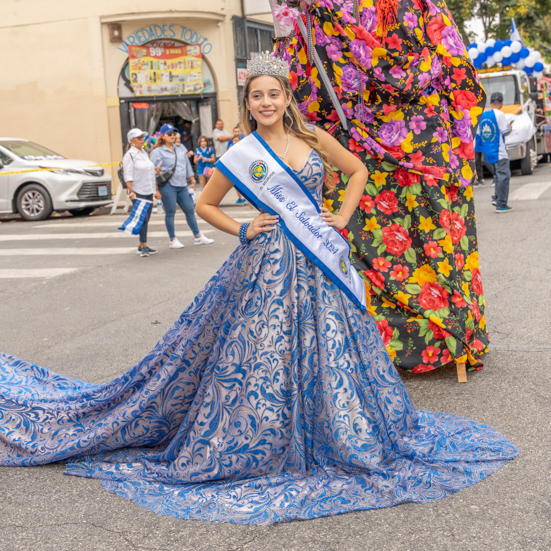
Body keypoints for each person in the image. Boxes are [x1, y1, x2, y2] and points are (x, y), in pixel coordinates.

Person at [0, 53, 517, 525]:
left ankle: (338, 432)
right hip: (264, 265)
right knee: (259, 356)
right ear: (247, 103)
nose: (266, 103)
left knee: (330, 351)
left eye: (274, 94)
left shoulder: (313, 138)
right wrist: (243, 228)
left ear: (287, 97)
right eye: (256, 96)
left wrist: (340, 215)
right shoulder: (243, 152)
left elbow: (357, 170)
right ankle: (259, 438)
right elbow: (205, 205)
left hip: (318, 262)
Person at [275, 0, 491, 374]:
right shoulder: (424, 8)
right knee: (435, 244)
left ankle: (370, 348)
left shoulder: (316, 12)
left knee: (364, 251)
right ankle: (448, 334)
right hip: (426, 146)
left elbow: (300, 90)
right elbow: (461, 79)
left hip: (353, 147)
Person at [150, 124, 213, 249]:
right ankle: (173, 239)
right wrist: (156, 189)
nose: (172, 136)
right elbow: (152, 171)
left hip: (182, 184)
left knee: (190, 210)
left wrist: (192, 179)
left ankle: (198, 236)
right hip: (167, 186)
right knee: (170, 212)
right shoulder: (157, 151)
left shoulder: (180, 148)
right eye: (169, 134)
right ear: (163, 136)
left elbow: (186, 165)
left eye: (174, 133)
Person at [122, 128, 162, 257]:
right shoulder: (130, 155)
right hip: (137, 191)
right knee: (143, 219)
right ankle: (143, 245)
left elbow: (148, 172)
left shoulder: (144, 153)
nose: (142, 139)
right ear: (132, 140)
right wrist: (131, 191)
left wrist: (155, 172)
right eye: (139, 137)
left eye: (143, 137)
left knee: (146, 218)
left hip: (148, 190)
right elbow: (127, 175)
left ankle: (142, 245)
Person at [475, 92, 513, 213]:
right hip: (499, 151)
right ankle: (501, 204)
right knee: (503, 176)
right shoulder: (500, 114)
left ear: (490, 102)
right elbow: (505, 131)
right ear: (501, 103)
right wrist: (510, 127)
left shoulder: (483, 115)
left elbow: (479, 136)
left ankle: (496, 198)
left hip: (487, 151)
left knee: (497, 175)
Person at [227, 126, 248, 204]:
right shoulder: (230, 144)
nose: (237, 133)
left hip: (244, 166)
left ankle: (246, 198)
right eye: (235, 131)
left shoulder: (245, 141)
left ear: (241, 132)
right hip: (235, 167)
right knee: (236, 183)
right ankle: (240, 198)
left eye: (238, 131)